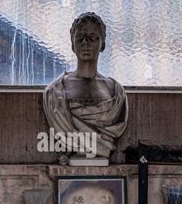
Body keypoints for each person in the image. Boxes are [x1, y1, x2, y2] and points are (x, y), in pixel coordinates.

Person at [43, 12, 128, 159]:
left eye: (93, 38)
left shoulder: (116, 92)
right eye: (80, 38)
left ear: (102, 44)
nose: (85, 43)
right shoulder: (55, 92)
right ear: (72, 45)